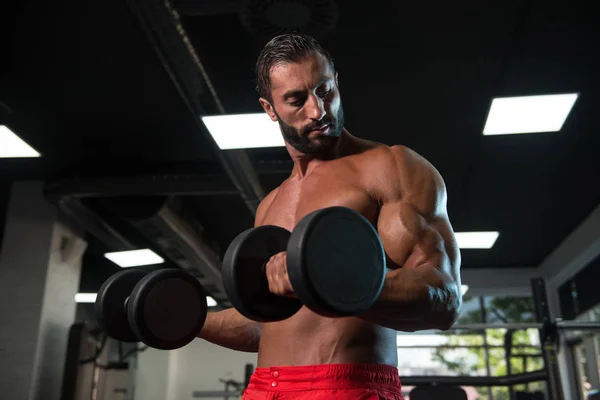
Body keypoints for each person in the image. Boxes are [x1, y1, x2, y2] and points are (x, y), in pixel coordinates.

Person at [198, 33, 463, 400]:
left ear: (336, 81)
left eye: (324, 91)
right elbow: (266, 326)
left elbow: (444, 299)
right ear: (269, 109)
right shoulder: (270, 204)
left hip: (348, 387)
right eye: (296, 100)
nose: (317, 111)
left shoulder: (391, 168)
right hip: (264, 389)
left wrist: (330, 282)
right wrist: (189, 319)